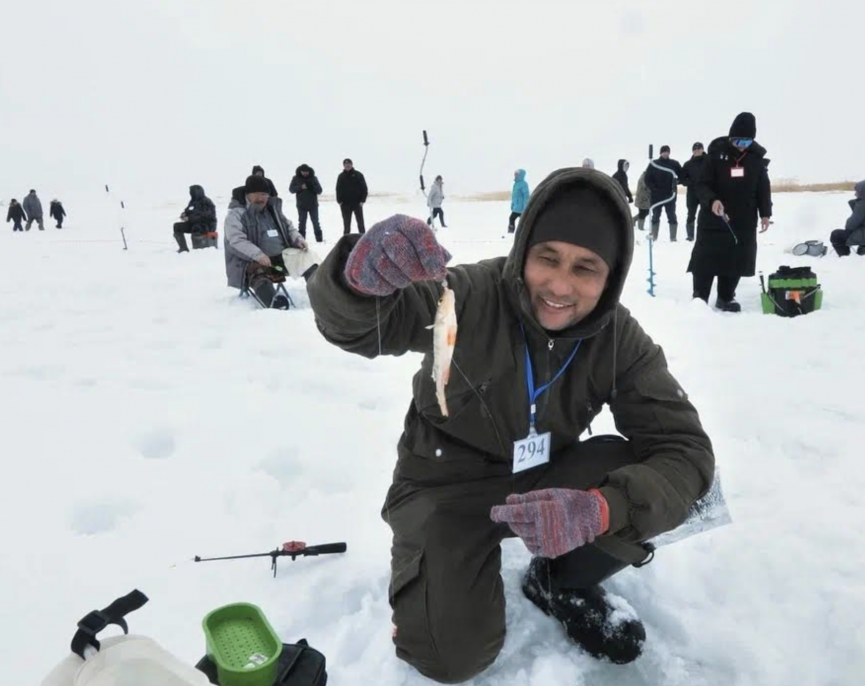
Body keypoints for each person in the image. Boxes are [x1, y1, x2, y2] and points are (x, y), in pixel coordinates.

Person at [306, 168, 715, 683]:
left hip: (542, 481)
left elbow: (685, 450)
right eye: (548, 258)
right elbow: (362, 323)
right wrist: (358, 280)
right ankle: (439, 574)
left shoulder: (618, 338)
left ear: (611, 277)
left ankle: (559, 580)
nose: (560, 286)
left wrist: (601, 508)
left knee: (684, 485)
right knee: (448, 658)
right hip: (442, 487)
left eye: (586, 268)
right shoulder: (467, 293)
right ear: (523, 251)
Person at [688, 112, 773, 312]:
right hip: (714, 216)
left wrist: (765, 213)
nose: (742, 144)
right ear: (730, 137)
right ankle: (700, 296)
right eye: (737, 140)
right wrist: (712, 200)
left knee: (735, 257)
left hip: (743, 218)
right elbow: (702, 184)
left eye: (746, 140)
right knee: (706, 257)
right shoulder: (716, 154)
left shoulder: (756, 159)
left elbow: (763, 188)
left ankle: (726, 297)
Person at [225, 175, 320, 307]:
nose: (261, 198)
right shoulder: (236, 215)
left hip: (279, 259)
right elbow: (236, 240)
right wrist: (258, 255)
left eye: (264, 194)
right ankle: (273, 303)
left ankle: (322, 294)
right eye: (256, 194)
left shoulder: (273, 210)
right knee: (258, 272)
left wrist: (297, 239)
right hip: (249, 261)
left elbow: (289, 227)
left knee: (308, 259)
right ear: (248, 195)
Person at [644, 145, 688, 241]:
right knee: (655, 216)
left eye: (667, 152)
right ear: (660, 153)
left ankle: (673, 237)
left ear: (669, 153)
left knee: (671, 215)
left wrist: (677, 181)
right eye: (664, 152)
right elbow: (647, 178)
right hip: (656, 196)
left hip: (670, 195)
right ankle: (654, 237)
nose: (665, 153)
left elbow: (682, 176)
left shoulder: (674, 164)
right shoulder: (654, 163)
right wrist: (653, 188)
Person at [173, 185, 218, 253]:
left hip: (207, 225)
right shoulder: (192, 202)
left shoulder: (206, 201)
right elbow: (188, 211)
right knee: (177, 226)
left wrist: (190, 217)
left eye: (193, 192)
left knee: (197, 227)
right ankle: (183, 248)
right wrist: (184, 215)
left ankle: (198, 250)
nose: (191, 193)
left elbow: (205, 215)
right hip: (194, 223)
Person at [288, 164, 324, 243]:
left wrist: (311, 187)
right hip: (301, 206)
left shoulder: (314, 178)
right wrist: (300, 187)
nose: (305, 173)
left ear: (309, 171)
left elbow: (320, 190)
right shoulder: (296, 178)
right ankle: (302, 240)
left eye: (306, 172)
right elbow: (291, 189)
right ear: (300, 171)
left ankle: (319, 240)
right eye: (303, 172)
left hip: (313, 205)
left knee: (316, 222)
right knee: (301, 223)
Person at [336, 158, 368, 235]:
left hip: (357, 203)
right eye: (346, 164)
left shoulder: (358, 175)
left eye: (349, 164)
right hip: (345, 204)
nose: (347, 165)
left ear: (352, 164)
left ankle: (363, 239)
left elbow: (364, 188)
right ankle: (346, 240)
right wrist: (339, 201)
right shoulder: (341, 176)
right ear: (343, 165)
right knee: (346, 224)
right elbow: (338, 189)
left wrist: (362, 200)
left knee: (360, 223)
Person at [682, 143, 707, 241]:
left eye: (699, 148)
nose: (697, 151)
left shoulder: (709, 161)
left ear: (702, 149)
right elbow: (683, 179)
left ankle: (705, 234)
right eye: (695, 149)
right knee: (691, 214)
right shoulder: (688, 164)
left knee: (705, 214)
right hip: (692, 193)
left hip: (705, 192)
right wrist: (690, 182)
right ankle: (690, 235)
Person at [509, 169, 530, 233]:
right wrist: (512, 204)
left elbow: (526, 196)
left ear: (521, 175)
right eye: (515, 174)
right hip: (516, 207)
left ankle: (525, 233)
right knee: (511, 218)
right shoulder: (516, 184)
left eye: (517, 174)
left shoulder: (524, 184)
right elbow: (514, 196)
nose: (515, 175)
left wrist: (525, 206)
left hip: (522, 208)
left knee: (523, 222)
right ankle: (511, 233)